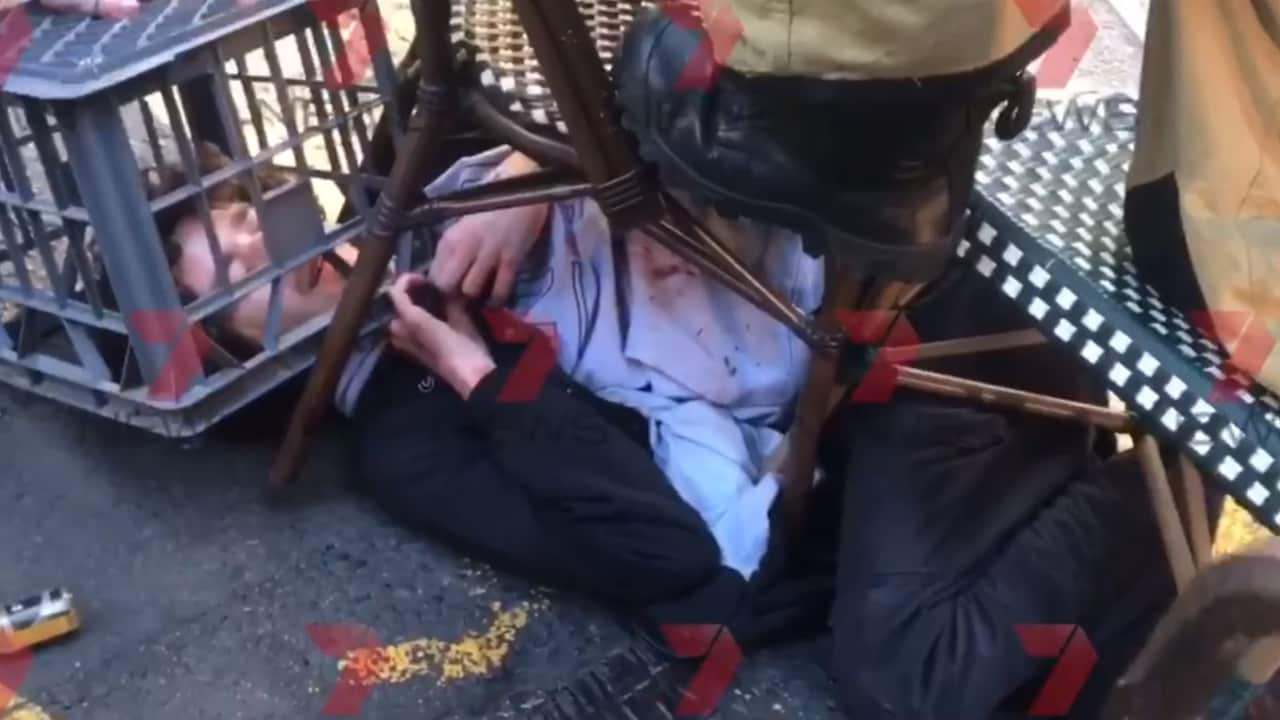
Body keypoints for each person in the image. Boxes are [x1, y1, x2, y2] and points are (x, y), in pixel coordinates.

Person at [148, 143, 836, 643]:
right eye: (236, 277)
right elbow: (665, 553)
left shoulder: (415, 197)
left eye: (245, 219)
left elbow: (599, 74)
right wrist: (473, 374)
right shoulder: (405, 441)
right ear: (246, 353)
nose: (263, 248)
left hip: (798, 201)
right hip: (817, 328)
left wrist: (526, 182)